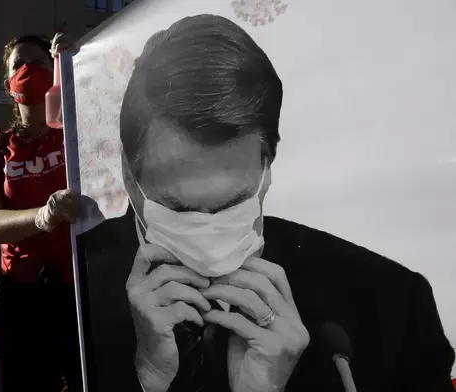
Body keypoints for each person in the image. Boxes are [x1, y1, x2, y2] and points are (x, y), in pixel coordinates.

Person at [77, 14, 455, 392]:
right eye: (179, 209)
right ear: (129, 174)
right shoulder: (72, 294)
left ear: (267, 167)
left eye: (234, 204)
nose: (207, 236)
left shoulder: (392, 309)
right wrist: (144, 380)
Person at [0, 32, 81, 392]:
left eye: (38, 62)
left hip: (79, 294)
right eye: (18, 64)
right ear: (7, 85)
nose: (27, 69)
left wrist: (77, 62)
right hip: (20, 299)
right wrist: (42, 217)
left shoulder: (76, 130)